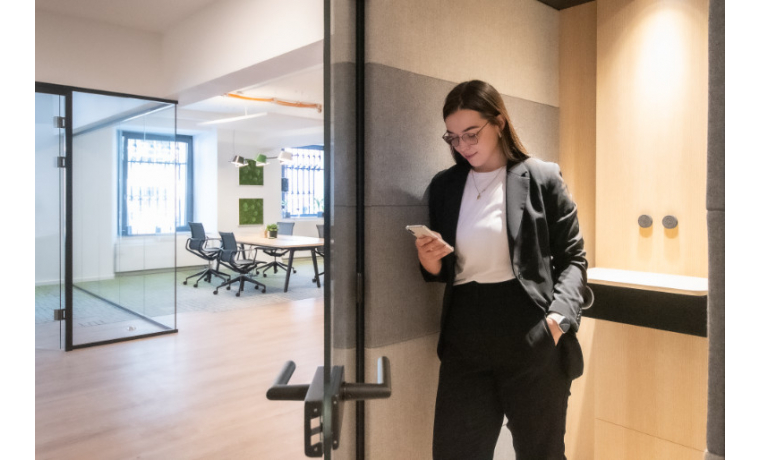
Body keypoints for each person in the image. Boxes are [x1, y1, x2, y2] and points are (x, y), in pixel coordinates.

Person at [416, 80, 590, 460]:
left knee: (540, 453)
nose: (463, 146)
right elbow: (447, 268)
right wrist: (431, 263)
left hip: (531, 333)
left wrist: (556, 323)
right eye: (453, 137)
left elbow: (574, 260)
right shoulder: (445, 186)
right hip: (465, 337)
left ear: (498, 123)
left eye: (471, 134)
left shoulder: (541, 177)